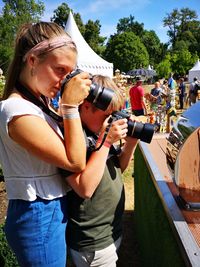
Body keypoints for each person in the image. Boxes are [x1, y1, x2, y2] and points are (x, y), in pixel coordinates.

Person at [0, 22, 92, 267]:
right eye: (60, 70)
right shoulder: (16, 110)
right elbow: (75, 161)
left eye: (70, 73)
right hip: (37, 213)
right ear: (32, 60)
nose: (64, 82)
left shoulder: (37, 105)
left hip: (47, 211)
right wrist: (70, 107)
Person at [65, 75, 139, 267]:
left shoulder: (97, 129)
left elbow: (117, 168)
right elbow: (85, 189)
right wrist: (106, 141)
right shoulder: (72, 136)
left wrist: (129, 145)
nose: (112, 122)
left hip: (110, 229)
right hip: (93, 239)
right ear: (86, 106)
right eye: (108, 116)